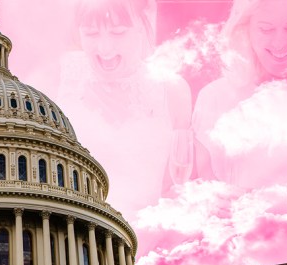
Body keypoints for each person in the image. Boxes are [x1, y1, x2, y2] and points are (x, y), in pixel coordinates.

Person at [59, 0, 195, 221]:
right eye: (92, 34)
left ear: (141, 26)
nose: (105, 48)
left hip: (146, 234)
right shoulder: (61, 79)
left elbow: (177, 184)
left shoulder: (172, 90)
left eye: (118, 32)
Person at [192, 0, 287, 189]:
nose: (280, 43)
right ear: (245, 30)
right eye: (266, 29)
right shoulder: (215, 98)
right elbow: (205, 191)